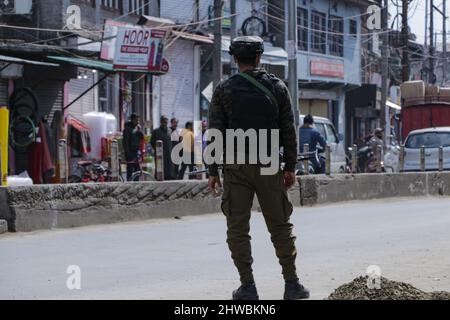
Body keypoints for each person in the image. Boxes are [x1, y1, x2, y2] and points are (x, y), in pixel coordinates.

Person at [208, 36, 310, 300]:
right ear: (259, 58)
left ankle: (248, 286)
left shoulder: (223, 89)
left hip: (236, 165)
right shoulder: (277, 87)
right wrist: (290, 166)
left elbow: (215, 132)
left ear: (235, 59)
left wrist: (212, 171)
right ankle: (292, 284)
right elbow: (288, 130)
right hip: (268, 163)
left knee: (238, 227)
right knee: (279, 225)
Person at [150, 115, 174, 180]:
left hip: (169, 152)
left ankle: (169, 177)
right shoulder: (156, 131)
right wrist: (157, 150)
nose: (165, 123)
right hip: (159, 153)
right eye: (163, 122)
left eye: (166, 122)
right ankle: (158, 177)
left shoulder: (170, 131)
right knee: (159, 165)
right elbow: (152, 142)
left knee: (169, 166)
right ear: (161, 122)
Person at [123, 113, 144, 181]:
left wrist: (139, 131)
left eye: (138, 120)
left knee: (137, 169)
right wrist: (127, 152)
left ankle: (136, 182)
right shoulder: (127, 129)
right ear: (132, 120)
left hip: (136, 151)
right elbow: (125, 142)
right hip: (130, 152)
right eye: (136, 120)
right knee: (130, 169)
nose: (137, 122)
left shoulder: (137, 128)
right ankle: (129, 183)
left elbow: (142, 138)